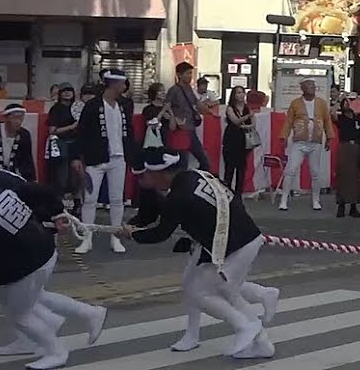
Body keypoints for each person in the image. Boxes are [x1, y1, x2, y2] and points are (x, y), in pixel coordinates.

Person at [117, 148, 279, 359]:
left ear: (160, 173)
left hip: (237, 245)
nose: (141, 181)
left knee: (206, 293)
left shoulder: (180, 196)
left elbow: (161, 233)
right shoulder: (198, 175)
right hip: (224, 240)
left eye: (144, 176)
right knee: (194, 283)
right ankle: (213, 334)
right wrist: (134, 226)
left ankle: (247, 325)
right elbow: (155, 215)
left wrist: (134, 236)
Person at [0, 168, 107, 369]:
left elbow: (33, 192)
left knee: (19, 313)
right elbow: (34, 191)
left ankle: (56, 351)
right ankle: (88, 314)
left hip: (26, 261)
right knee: (24, 298)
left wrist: (56, 214)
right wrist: (56, 214)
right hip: (38, 249)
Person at [74, 70, 138, 254]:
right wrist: (78, 157)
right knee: (90, 199)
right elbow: (82, 132)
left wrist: (131, 155)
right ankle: (86, 238)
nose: (125, 87)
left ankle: (115, 237)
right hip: (96, 159)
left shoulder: (125, 105)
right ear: (113, 84)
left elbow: (130, 132)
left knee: (117, 200)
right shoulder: (93, 105)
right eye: (122, 83)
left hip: (119, 158)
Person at [278, 79, 333, 212]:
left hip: (316, 142)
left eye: (314, 86)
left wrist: (330, 137)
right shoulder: (295, 103)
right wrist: (284, 136)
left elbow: (327, 121)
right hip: (299, 142)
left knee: (315, 172)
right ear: (302, 88)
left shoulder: (321, 103)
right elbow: (289, 121)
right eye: (309, 86)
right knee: (291, 170)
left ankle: (316, 200)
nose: (312, 88)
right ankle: (284, 199)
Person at [164, 63, 212, 172]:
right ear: (179, 75)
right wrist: (175, 118)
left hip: (190, 130)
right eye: (187, 73)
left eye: (191, 73)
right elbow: (165, 107)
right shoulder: (174, 90)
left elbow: (197, 103)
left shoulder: (189, 89)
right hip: (180, 131)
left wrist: (209, 113)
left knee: (204, 161)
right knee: (182, 164)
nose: (190, 76)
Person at [44, 86, 81, 211]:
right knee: (61, 178)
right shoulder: (56, 109)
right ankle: (57, 205)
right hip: (61, 145)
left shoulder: (78, 107)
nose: (67, 93)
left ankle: (77, 204)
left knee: (77, 176)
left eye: (69, 91)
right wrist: (72, 126)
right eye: (64, 91)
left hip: (76, 144)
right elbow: (52, 130)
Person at [333, 96, 360, 218]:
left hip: (356, 147)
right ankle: (341, 205)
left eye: (349, 102)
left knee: (356, 177)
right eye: (345, 103)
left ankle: (353, 206)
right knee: (343, 175)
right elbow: (332, 113)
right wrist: (338, 99)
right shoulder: (341, 118)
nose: (347, 104)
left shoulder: (358, 117)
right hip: (345, 146)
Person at [222, 88, 254, 198]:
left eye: (242, 92)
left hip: (243, 140)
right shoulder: (230, 108)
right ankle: (227, 192)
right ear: (234, 95)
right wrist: (247, 118)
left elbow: (253, 125)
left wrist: (242, 125)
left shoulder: (247, 108)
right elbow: (235, 121)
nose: (241, 95)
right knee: (229, 167)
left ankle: (238, 194)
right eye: (238, 93)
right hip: (231, 139)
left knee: (241, 168)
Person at [0, 104, 36, 182]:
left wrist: (31, 180)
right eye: (15, 117)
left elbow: (27, 159)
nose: (18, 121)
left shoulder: (24, 135)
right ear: (6, 118)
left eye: (21, 118)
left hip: (14, 175)